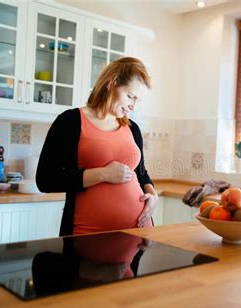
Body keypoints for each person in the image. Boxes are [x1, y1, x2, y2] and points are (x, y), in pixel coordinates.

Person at [36, 57, 158, 236]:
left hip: (139, 233)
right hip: (87, 234)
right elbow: (46, 179)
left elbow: (141, 173)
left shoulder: (133, 128)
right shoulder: (70, 121)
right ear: (112, 82)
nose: (132, 105)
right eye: (130, 96)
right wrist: (103, 174)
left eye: (137, 100)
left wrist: (152, 195)